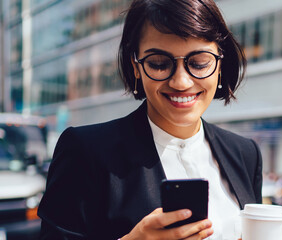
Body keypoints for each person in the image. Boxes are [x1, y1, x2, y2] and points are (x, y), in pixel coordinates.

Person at [37, 0, 263, 239]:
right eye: (159, 64)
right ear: (136, 66)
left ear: (220, 64)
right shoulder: (85, 151)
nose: (181, 82)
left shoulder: (245, 154)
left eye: (199, 63)